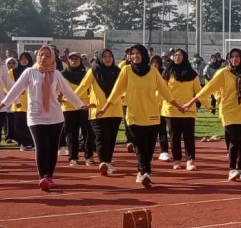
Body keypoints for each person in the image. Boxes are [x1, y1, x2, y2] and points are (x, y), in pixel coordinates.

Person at [0, 46, 85, 191]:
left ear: (53, 58)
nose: (44, 58)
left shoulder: (56, 74)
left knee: (52, 147)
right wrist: (2, 104)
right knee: (41, 146)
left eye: (48, 55)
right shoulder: (30, 72)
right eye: (41, 55)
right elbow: (15, 89)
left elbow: (68, 92)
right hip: (36, 116)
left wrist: (81, 105)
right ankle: (43, 177)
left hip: (55, 116)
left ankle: (49, 176)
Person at [98, 45, 184, 187]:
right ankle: (145, 173)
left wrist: (178, 106)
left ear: (144, 55)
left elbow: (165, 91)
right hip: (133, 116)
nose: (135, 56)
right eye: (133, 53)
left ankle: (142, 171)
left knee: (149, 148)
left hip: (152, 116)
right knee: (140, 146)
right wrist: (105, 107)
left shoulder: (153, 72)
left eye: (138, 53)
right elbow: (116, 91)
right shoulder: (126, 70)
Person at [184, 48, 241, 181]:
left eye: (237, 56)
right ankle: (232, 169)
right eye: (232, 56)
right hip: (228, 111)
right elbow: (208, 88)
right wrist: (192, 101)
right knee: (234, 140)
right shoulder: (223, 73)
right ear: (228, 59)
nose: (235, 59)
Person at [77, 48, 124, 176]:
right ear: (100, 58)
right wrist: (70, 99)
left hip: (115, 111)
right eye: (105, 56)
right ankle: (104, 162)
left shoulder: (118, 72)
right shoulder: (94, 71)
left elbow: (125, 88)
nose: (108, 59)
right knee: (101, 137)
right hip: (98, 111)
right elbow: (83, 87)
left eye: (110, 56)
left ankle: (108, 162)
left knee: (111, 139)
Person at [161, 49, 204, 171]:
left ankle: (190, 160)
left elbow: (199, 92)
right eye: (175, 55)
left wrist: (209, 105)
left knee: (188, 137)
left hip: (187, 110)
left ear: (185, 57)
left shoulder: (192, 74)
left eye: (180, 55)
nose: (177, 57)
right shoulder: (168, 72)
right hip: (171, 110)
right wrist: (154, 103)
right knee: (174, 136)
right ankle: (177, 160)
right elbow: (161, 90)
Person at [62, 52, 95, 166]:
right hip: (68, 107)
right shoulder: (62, 74)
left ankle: (89, 156)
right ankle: (73, 157)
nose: (74, 61)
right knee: (71, 133)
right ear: (68, 61)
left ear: (81, 60)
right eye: (71, 59)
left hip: (85, 106)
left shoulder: (87, 73)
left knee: (88, 133)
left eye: (76, 59)